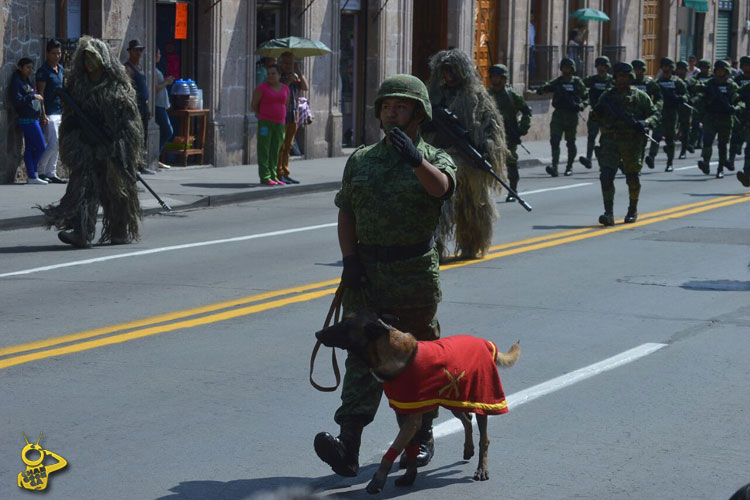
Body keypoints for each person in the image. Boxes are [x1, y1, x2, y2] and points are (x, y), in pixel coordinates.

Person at [313, 74, 456, 477]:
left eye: (402, 106)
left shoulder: (433, 158)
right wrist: (349, 259)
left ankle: (420, 436)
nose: (392, 112)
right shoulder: (361, 159)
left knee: (417, 358)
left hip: (413, 277)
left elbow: (441, 189)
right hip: (368, 275)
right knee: (362, 357)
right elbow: (347, 211)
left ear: (419, 114)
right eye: (387, 106)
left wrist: (415, 159)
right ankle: (348, 444)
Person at [39, 36, 144, 248]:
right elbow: (70, 119)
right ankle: (81, 232)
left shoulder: (117, 86)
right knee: (81, 189)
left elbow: (129, 121)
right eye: (86, 59)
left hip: (111, 149)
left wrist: (119, 145)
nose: (89, 63)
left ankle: (119, 231)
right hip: (87, 147)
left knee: (116, 191)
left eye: (93, 58)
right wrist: (76, 143)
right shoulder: (78, 86)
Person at [426, 48, 507, 259]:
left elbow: (492, 127)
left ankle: (471, 244)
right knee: (438, 208)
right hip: (440, 159)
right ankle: (435, 248)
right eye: (444, 70)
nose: (447, 75)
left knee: (473, 208)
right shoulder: (434, 98)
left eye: (452, 70)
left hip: (469, 162)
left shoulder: (477, 96)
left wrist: (488, 151)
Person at [592, 62, 657, 226]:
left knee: (632, 177)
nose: (621, 80)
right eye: (619, 76)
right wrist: (598, 114)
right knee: (606, 176)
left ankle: (632, 209)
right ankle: (609, 213)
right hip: (610, 141)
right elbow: (596, 115)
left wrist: (645, 122)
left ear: (631, 78)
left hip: (632, 142)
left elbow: (654, 114)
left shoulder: (640, 96)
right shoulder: (607, 96)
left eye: (625, 77)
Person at [536, 57, 588, 176]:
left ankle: (569, 167)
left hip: (571, 116)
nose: (566, 70)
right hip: (558, 115)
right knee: (555, 140)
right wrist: (542, 89)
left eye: (568, 68)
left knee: (570, 142)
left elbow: (586, 97)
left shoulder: (576, 82)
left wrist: (581, 105)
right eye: (564, 67)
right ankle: (554, 166)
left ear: (572, 69)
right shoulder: (558, 81)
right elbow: (548, 85)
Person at [488, 64, 531, 201]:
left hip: (509, 135)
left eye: (498, 77)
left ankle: (513, 190)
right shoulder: (487, 95)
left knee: (511, 161)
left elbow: (526, 111)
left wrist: (522, 128)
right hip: (491, 134)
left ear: (504, 79)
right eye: (493, 77)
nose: (495, 80)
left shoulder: (512, 95)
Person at [695, 60, 741, 179]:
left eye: (722, 71)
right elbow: (700, 93)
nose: (720, 73)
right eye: (718, 70)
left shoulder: (731, 85)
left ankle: (720, 168)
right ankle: (706, 162)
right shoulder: (710, 84)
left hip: (725, 118)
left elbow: (737, 99)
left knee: (722, 144)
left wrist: (735, 107)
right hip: (711, 116)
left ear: (726, 72)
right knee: (707, 140)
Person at [646, 57, 688, 172]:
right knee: (656, 136)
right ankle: (652, 157)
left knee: (670, 138)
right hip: (660, 112)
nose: (666, 69)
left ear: (671, 68)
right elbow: (649, 95)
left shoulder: (677, 82)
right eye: (664, 67)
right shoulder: (657, 83)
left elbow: (686, 95)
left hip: (672, 113)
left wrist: (680, 98)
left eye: (668, 67)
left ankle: (670, 162)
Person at [9, 57, 47, 184]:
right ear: (20, 68)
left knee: (30, 148)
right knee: (41, 146)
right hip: (27, 119)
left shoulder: (27, 81)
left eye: (32, 67)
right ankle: (33, 172)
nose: (30, 70)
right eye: (27, 67)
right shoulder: (17, 82)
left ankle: (32, 176)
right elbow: (18, 101)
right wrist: (32, 96)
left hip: (33, 117)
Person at [251, 64, 289, 185]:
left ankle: (274, 176)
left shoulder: (285, 88)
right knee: (264, 149)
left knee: (275, 150)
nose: (270, 76)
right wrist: (263, 114)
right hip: (265, 123)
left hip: (280, 124)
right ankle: (265, 176)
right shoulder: (262, 88)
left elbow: (285, 104)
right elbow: (254, 104)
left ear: (279, 75)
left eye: (273, 73)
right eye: (268, 74)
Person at [35, 39, 67, 184]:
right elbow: (40, 94)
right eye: (53, 53)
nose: (57, 56)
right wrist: (43, 114)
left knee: (58, 144)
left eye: (59, 53)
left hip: (60, 110)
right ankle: (40, 170)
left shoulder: (60, 69)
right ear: (47, 54)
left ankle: (51, 172)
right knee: (53, 144)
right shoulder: (43, 71)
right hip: (50, 112)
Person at [124, 39, 156, 175]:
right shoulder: (128, 68)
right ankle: (134, 165)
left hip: (144, 105)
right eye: (136, 50)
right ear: (130, 51)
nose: (139, 53)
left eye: (140, 50)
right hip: (135, 106)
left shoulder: (140, 67)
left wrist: (148, 108)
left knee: (143, 136)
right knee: (135, 136)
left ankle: (141, 164)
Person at [277, 51, 309, 184]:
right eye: (286, 63)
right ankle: (278, 172)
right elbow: (280, 90)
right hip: (282, 114)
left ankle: (286, 171)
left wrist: (298, 71)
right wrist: (289, 79)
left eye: (290, 63)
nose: (288, 65)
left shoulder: (295, 75)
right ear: (281, 63)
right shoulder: (278, 75)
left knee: (289, 145)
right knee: (281, 145)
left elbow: (305, 87)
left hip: (293, 114)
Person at [580, 56, 613, 169]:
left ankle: (605, 160)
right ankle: (588, 159)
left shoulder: (611, 81)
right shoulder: (592, 80)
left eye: (603, 66)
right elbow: (579, 85)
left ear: (607, 67)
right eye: (599, 65)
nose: (601, 68)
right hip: (595, 112)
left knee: (606, 138)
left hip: (607, 114)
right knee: (591, 136)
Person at [154, 48, 174, 169]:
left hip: (161, 104)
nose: (160, 56)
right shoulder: (153, 71)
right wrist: (167, 82)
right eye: (159, 54)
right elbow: (156, 88)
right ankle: (155, 157)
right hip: (158, 104)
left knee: (165, 131)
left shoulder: (156, 70)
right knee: (168, 131)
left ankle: (157, 157)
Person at [729, 56, 750, 169]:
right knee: (735, 137)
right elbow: (734, 93)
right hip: (740, 113)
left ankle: (747, 169)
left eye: (748, 65)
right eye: (745, 66)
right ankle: (730, 160)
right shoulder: (737, 80)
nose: (747, 68)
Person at [688, 59, 713, 151]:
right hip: (698, 105)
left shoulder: (712, 77)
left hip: (710, 105)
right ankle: (692, 142)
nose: (703, 69)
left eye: (705, 68)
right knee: (695, 124)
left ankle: (701, 142)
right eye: (701, 67)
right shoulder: (696, 77)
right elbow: (692, 85)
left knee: (707, 125)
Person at [675, 60, 695, 159]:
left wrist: (690, 100)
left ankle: (683, 151)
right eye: (678, 69)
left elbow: (694, 94)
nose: (680, 71)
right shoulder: (672, 81)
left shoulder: (690, 81)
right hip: (673, 108)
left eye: (682, 69)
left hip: (686, 108)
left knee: (685, 129)